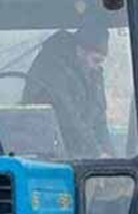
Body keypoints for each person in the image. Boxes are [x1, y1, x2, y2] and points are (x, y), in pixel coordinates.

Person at [22, 14, 114, 159]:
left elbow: (100, 119)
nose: (97, 67)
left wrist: (110, 155)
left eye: (100, 62)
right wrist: (96, 152)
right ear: (81, 50)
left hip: (79, 151)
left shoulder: (93, 73)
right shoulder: (51, 67)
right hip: (46, 150)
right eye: (95, 60)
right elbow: (68, 114)